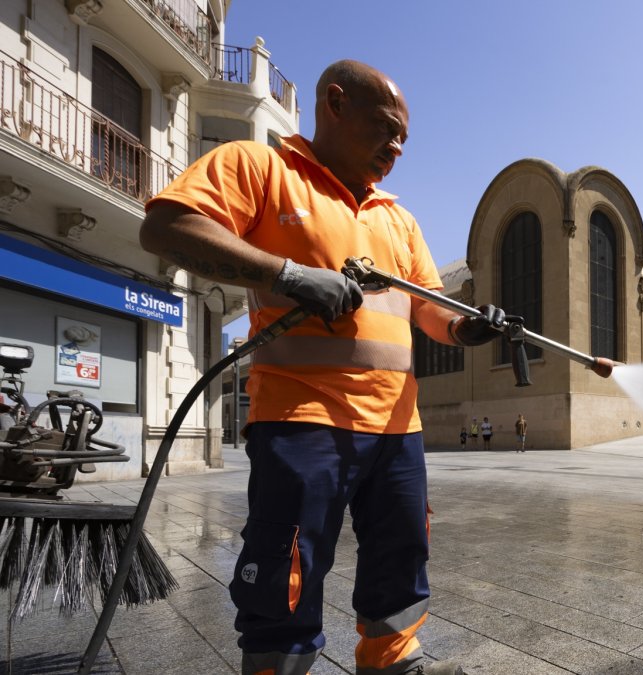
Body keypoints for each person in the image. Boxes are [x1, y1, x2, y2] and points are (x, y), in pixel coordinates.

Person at [139, 59, 503, 675]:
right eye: (386, 129)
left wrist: (469, 326)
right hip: (302, 415)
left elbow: (428, 309)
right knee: (288, 559)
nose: (396, 149)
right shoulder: (261, 168)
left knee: (400, 553)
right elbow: (167, 227)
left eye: (403, 141)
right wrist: (287, 274)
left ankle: (392, 659)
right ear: (335, 103)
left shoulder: (398, 218)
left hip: (397, 428)